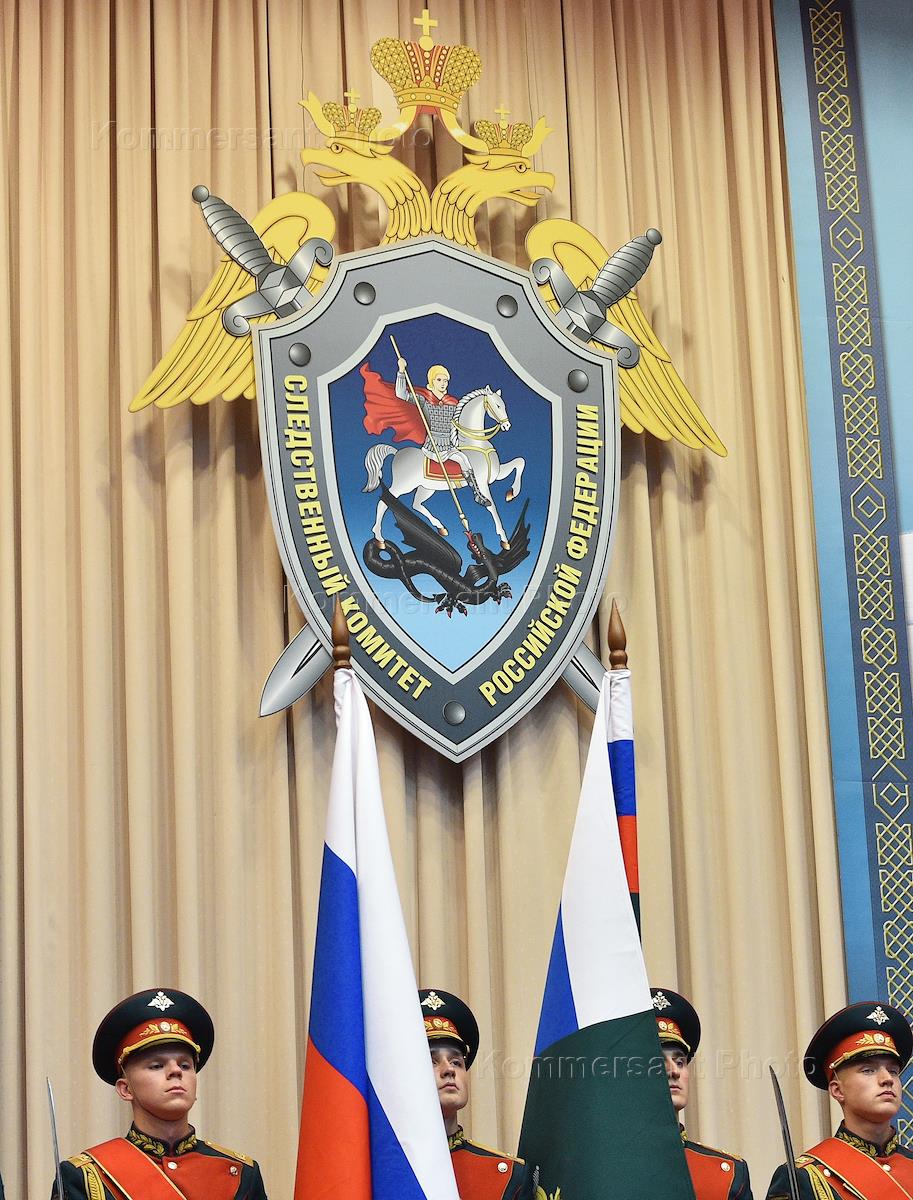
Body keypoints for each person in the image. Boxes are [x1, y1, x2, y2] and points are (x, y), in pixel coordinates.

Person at [52, 987, 268, 1199]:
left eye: (185, 1065)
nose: (175, 1071)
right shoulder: (86, 1176)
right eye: (156, 1065)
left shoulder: (242, 1173)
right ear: (125, 1089)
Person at [766, 1001, 913, 1200]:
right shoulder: (805, 1177)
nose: (887, 1079)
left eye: (893, 1071)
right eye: (868, 1070)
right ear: (837, 1090)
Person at [419, 987, 532, 1199]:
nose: (449, 1070)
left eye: (456, 1062)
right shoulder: (378, 1170)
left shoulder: (506, 1177)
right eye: (431, 1061)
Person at [652, 987, 753, 1200]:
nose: (674, 1071)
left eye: (680, 1062)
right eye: (659, 1062)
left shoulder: (727, 1175)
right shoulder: (607, 1170)